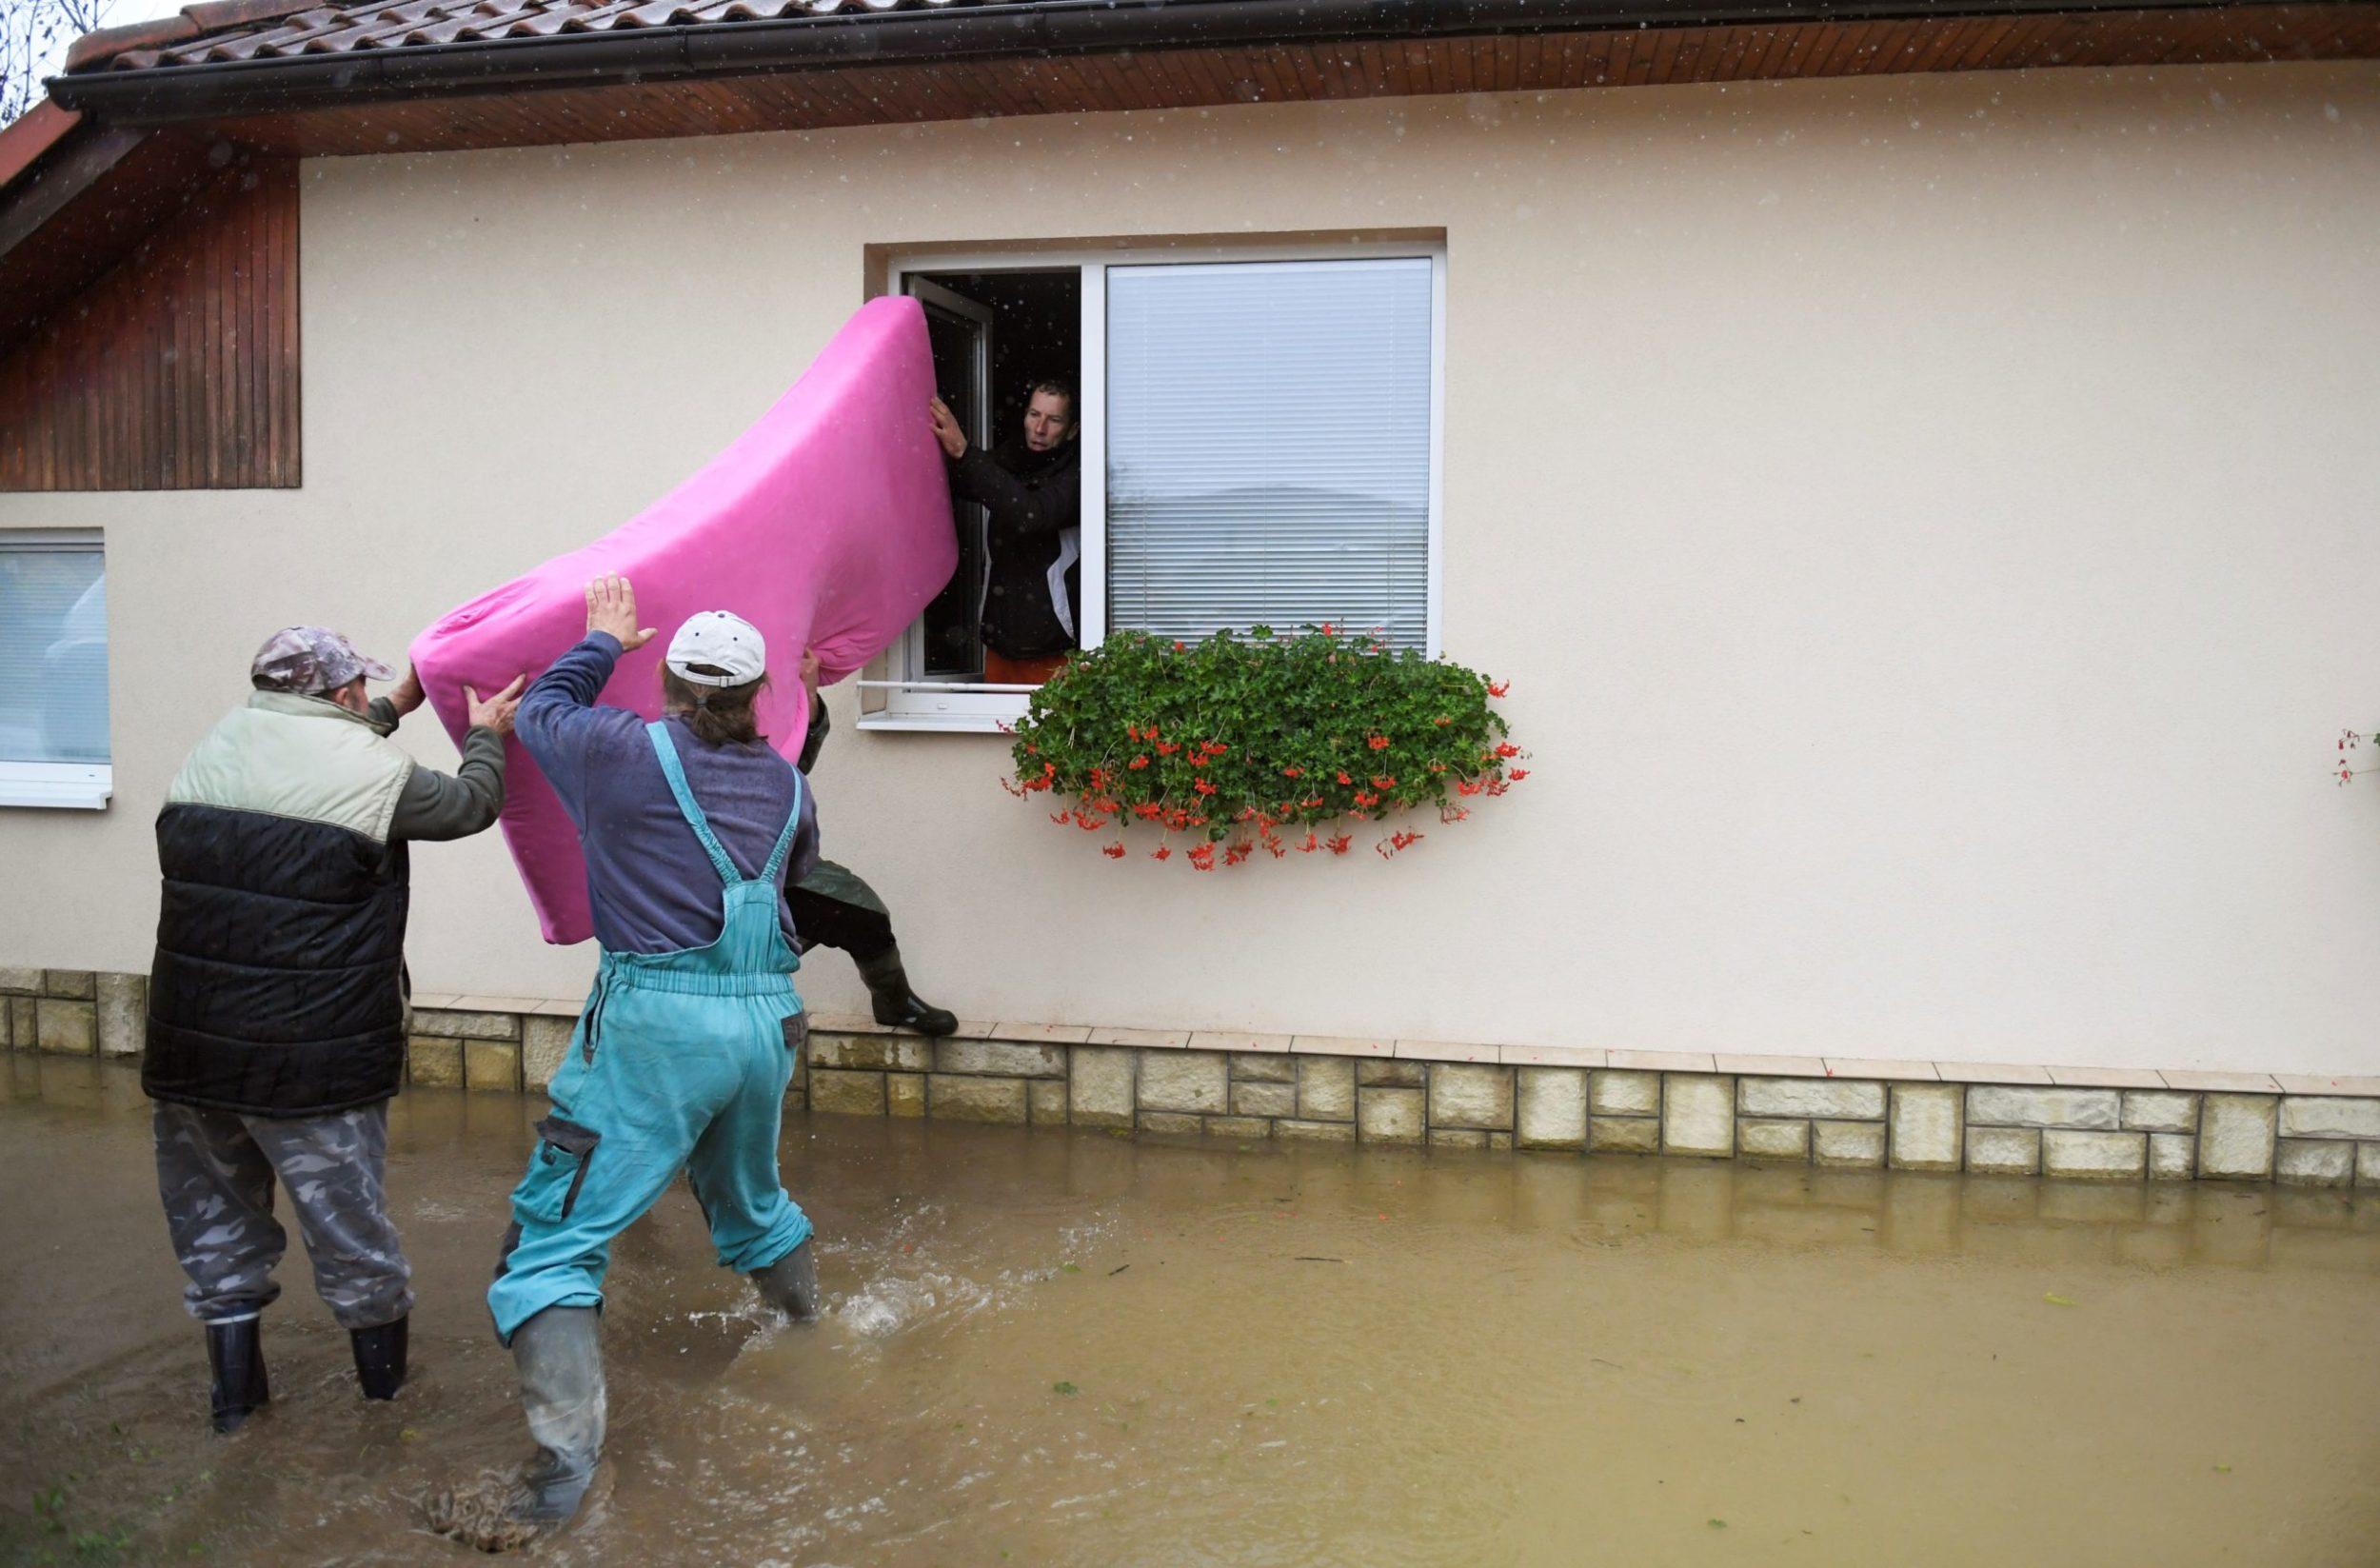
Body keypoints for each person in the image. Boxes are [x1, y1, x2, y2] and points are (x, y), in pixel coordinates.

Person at [477, 574, 821, 1541]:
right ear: (756, 696)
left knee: (554, 1244)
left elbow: (540, 708)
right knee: (752, 1204)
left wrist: (601, 639)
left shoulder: (617, 751)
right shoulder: (790, 784)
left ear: (668, 684)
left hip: (657, 1026)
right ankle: (809, 1337)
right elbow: (793, 879)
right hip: (768, 1023)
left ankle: (562, 1477)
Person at [146, 626, 522, 1433]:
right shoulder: (374, 775)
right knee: (353, 1241)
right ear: (344, 693)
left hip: (191, 1055)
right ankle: (387, 1420)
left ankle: (235, 1416)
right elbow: (469, 805)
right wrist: (486, 735)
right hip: (309, 1065)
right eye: (362, 691)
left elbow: (316, 758)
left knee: (218, 1238)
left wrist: (395, 706)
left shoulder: (214, 749)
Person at [785, 648, 957, 1036]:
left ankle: (895, 1003)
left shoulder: (754, 710)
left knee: (861, 911)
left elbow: (794, 763)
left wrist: (806, 695)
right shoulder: (664, 738)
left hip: (773, 861)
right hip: (705, 875)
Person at [929, 374, 1081, 686]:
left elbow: (1031, 514)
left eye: (1053, 420)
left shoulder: (1079, 474)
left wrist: (965, 453)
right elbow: (959, 481)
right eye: (1034, 414)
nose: (1039, 428)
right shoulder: (1011, 458)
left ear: (1072, 430)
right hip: (999, 641)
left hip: (1055, 647)